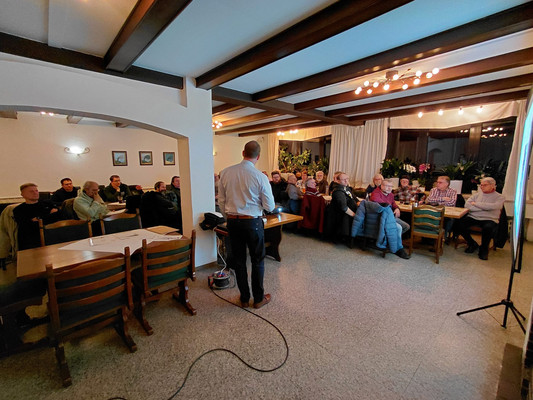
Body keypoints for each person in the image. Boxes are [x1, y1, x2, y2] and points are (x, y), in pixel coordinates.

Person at [218, 140, 275, 309]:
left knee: (239, 260)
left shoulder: (225, 172)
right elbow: (270, 206)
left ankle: (244, 298)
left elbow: (221, 201)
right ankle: (258, 299)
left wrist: (229, 217)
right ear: (258, 156)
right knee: (257, 260)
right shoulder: (260, 177)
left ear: (243, 153)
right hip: (252, 222)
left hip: (233, 221)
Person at [455, 177, 504, 260]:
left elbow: (495, 206)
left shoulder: (500, 197)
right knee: (458, 224)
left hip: (489, 219)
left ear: (492, 185)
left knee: (488, 228)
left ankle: (484, 249)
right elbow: (467, 205)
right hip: (473, 217)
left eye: (485, 185)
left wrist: (476, 204)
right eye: (481, 185)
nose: (482, 187)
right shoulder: (476, 195)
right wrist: (485, 207)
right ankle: (472, 243)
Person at [370, 179, 410, 259]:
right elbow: (383, 205)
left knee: (406, 226)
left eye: (391, 186)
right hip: (380, 218)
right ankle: (398, 249)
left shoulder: (390, 195)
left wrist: (397, 208)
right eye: (387, 186)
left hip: (389, 217)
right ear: (381, 186)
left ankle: (391, 242)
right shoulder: (376, 193)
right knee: (398, 228)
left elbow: (393, 204)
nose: (389, 188)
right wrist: (391, 207)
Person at [13, 183, 60, 250]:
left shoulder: (47, 204)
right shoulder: (19, 210)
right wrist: (49, 215)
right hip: (31, 241)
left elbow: (58, 217)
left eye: (36, 191)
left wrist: (38, 218)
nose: (35, 193)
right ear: (23, 194)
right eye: (31, 191)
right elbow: (28, 226)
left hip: (53, 237)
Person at [424, 175, 457, 243]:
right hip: (434, 212)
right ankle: (429, 237)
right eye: (437, 182)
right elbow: (429, 200)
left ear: (447, 184)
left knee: (450, 219)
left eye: (440, 182)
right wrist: (443, 199)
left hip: (446, 213)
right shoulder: (433, 190)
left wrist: (436, 203)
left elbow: (452, 203)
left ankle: (443, 237)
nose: (437, 184)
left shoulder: (453, 191)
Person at [328, 173, 357, 243]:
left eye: (347, 179)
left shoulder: (346, 188)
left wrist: (358, 202)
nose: (346, 181)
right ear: (338, 181)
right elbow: (344, 207)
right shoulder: (338, 191)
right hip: (340, 214)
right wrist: (355, 215)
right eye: (344, 180)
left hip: (347, 212)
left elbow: (353, 197)